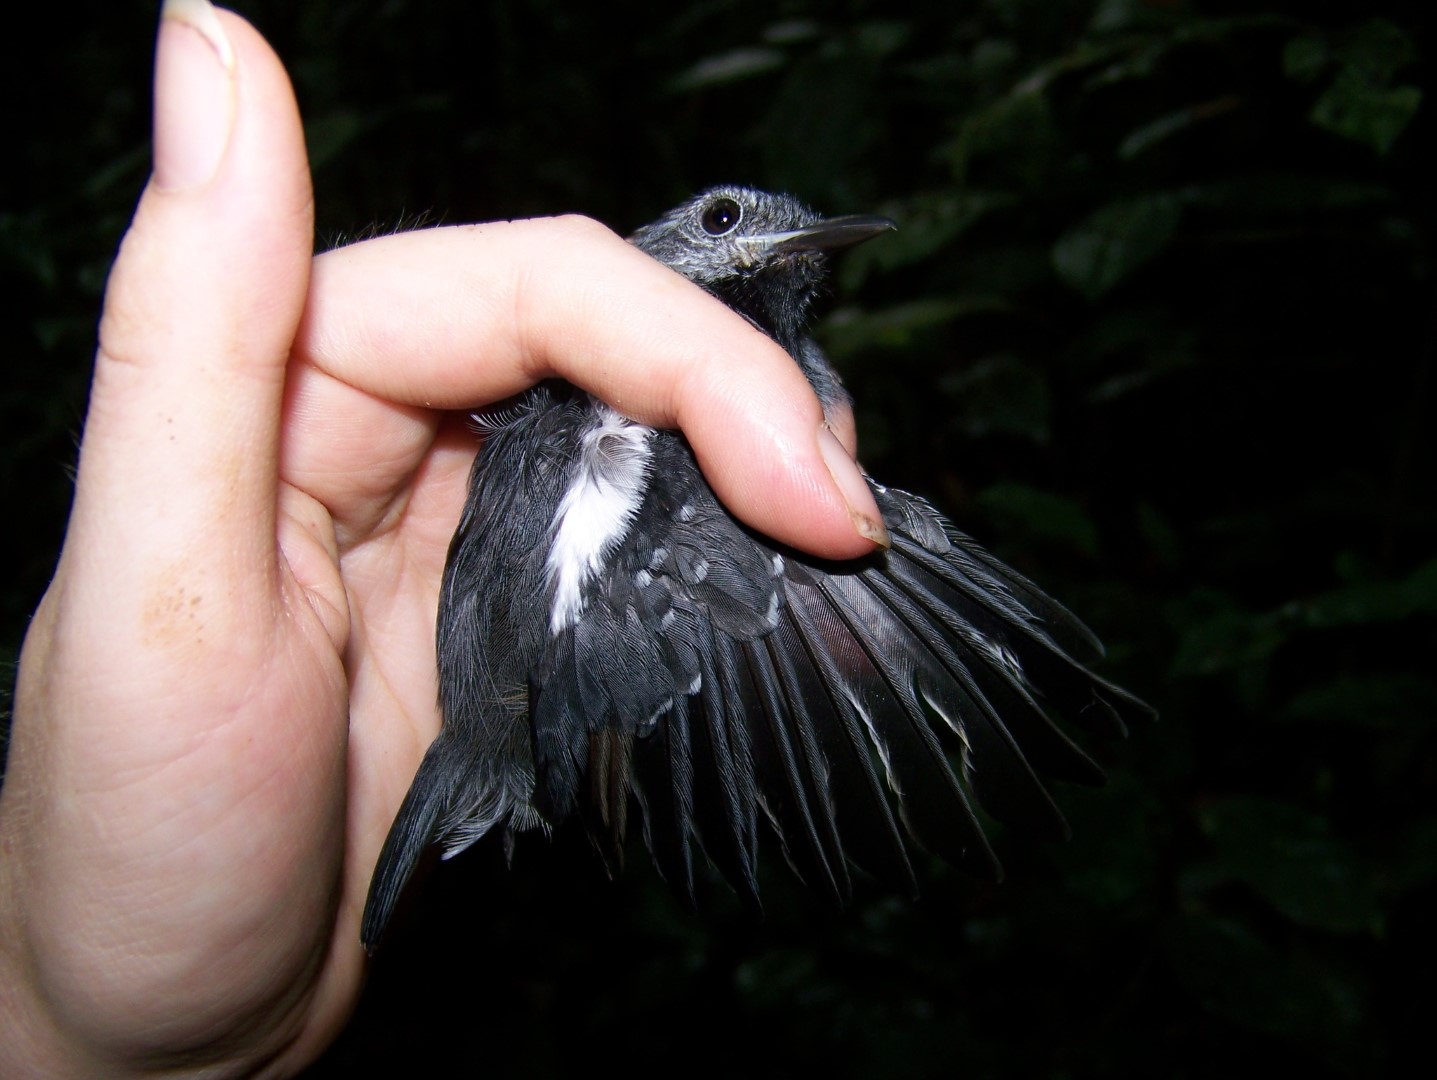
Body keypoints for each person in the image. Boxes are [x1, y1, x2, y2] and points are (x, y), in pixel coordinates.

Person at [0, 2, 884, 1073]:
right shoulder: (626, 416)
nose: (760, 248)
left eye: (775, 237)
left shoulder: (715, 418)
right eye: (726, 219)